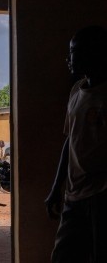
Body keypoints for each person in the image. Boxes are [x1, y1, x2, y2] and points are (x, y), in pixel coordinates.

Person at [45, 25, 107, 263]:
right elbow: (69, 142)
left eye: (73, 52)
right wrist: (55, 188)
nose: (68, 59)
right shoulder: (76, 91)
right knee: (63, 255)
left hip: (101, 195)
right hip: (74, 195)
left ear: (93, 53)